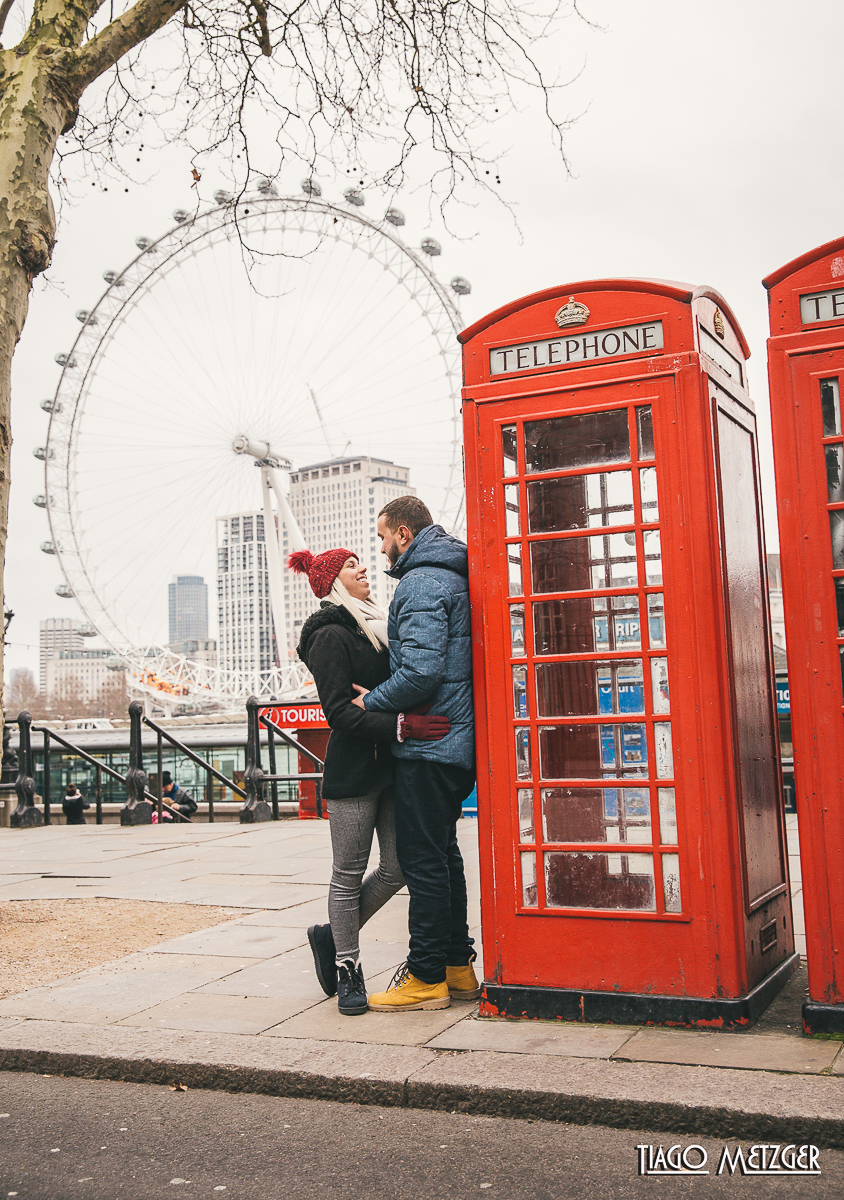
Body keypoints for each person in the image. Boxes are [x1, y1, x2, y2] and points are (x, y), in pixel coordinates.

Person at [290, 545, 451, 1016]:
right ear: (332, 583)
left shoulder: (376, 626)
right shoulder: (329, 636)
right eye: (349, 565)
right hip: (354, 772)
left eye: (359, 561)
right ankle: (347, 967)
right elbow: (339, 713)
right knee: (346, 874)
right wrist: (401, 725)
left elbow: (387, 691)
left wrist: (385, 703)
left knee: (398, 867)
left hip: (391, 768)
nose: (362, 568)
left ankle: (330, 935)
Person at [352, 496, 480, 1012]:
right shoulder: (453, 573)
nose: (381, 549)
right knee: (444, 857)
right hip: (455, 741)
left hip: (431, 744)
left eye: (383, 537)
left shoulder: (422, 582)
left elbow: (421, 673)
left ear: (404, 534)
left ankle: (426, 976)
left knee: (423, 863)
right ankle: (457, 966)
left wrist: (370, 701)